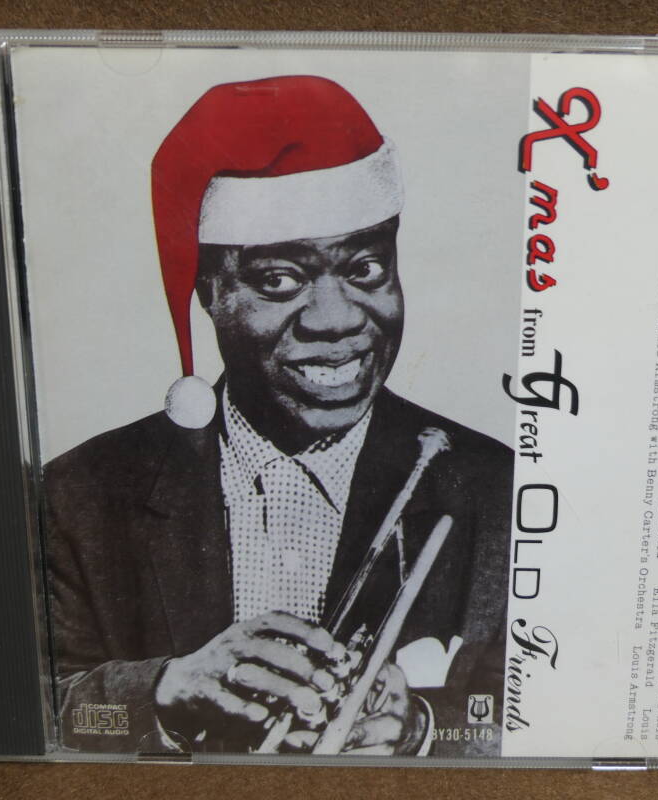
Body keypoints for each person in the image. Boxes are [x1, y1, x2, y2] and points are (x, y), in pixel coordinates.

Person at [44, 76, 513, 757]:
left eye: (366, 268)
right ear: (208, 291)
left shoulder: (500, 489)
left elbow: (562, 703)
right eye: (279, 280)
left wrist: (421, 729)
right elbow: (26, 710)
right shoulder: (77, 493)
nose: (337, 319)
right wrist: (164, 694)